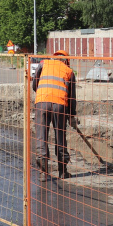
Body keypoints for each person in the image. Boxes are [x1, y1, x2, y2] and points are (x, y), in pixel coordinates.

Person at [32, 50, 77, 179]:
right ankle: (63, 172)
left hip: (42, 103)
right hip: (60, 105)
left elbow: (35, 85)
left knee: (41, 137)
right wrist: (71, 116)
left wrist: (44, 93)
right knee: (60, 137)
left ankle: (43, 173)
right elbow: (72, 98)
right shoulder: (69, 71)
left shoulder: (43, 64)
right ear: (66, 61)